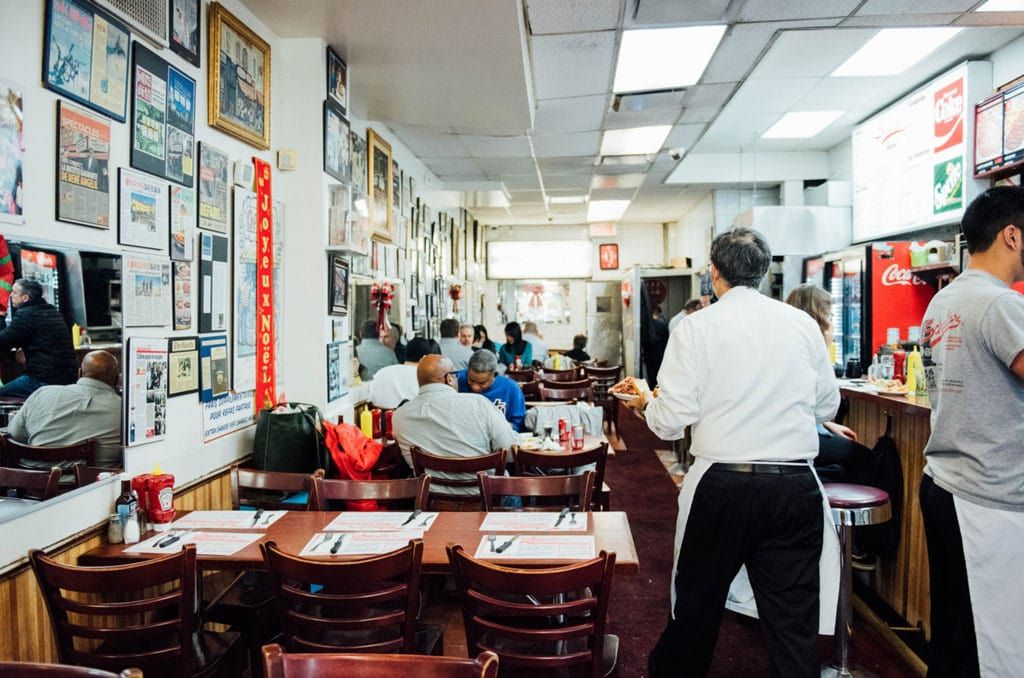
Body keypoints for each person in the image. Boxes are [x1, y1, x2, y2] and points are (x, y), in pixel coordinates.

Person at [630, 228, 840, 677]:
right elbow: (827, 405)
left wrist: (646, 403)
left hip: (723, 484)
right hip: (796, 485)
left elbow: (671, 419)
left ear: (714, 274)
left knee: (697, 609)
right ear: (763, 273)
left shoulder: (696, 327)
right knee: (792, 623)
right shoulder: (802, 325)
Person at [918, 186, 1024, 676]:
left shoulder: (943, 301)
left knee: (956, 636)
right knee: (993, 647)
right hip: (987, 496)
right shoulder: (1000, 304)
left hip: (945, 483)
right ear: (1011, 236)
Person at [392, 354, 518, 490]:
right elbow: (510, 451)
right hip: (489, 498)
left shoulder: (399, 416)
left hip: (431, 501)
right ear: (449, 378)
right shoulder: (479, 404)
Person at [785, 283, 868, 482]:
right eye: (830, 316)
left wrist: (828, 425)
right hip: (801, 438)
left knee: (842, 464)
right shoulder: (813, 343)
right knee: (866, 459)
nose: (832, 322)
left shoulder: (785, 343)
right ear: (818, 315)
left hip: (784, 436)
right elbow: (827, 405)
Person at [8, 350, 122, 468]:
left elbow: (14, 435)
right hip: (94, 484)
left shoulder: (42, 394)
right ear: (117, 380)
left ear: (79, 373)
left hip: (33, 481)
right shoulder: (123, 410)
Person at [0, 279, 78, 398]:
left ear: (25, 298)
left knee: (2, 395)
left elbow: (4, 341)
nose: (11, 296)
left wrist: (1, 317)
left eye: (14, 293)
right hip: (68, 378)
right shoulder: (52, 311)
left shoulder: (26, 314)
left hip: (43, 380)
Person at [456, 349, 526, 431]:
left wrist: (502, 427)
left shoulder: (511, 389)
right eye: (471, 380)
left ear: (494, 375)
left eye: (482, 383)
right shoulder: (456, 380)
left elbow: (518, 424)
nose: (475, 387)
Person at [369, 337, 440, 409]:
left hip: (378, 418)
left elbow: (370, 399)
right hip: (412, 418)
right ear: (425, 358)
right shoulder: (424, 378)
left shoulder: (381, 372)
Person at [644, 305, 670, 387]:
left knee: (651, 378)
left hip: (649, 356)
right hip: (661, 355)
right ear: (660, 313)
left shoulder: (647, 325)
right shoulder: (664, 323)